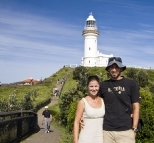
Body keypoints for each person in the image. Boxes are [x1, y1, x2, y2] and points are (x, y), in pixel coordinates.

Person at [80, 57, 140, 143]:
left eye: (116, 67)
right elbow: (93, 102)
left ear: (121, 68)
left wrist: (134, 128)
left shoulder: (131, 84)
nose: (114, 70)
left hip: (126, 131)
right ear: (108, 69)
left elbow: (136, 106)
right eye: (111, 67)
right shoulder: (103, 85)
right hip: (107, 131)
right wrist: (83, 116)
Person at [73, 75, 105, 143]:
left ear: (99, 86)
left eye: (96, 86)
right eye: (91, 86)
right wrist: (76, 140)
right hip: (85, 138)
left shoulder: (103, 101)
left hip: (100, 138)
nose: (94, 89)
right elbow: (76, 122)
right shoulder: (82, 102)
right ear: (87, 86)